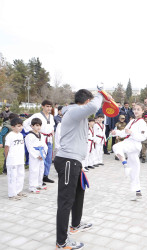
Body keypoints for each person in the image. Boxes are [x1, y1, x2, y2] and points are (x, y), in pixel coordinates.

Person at [55, 89, 105, 249]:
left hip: (74, 161)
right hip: (68, 160)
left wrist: (80, 164)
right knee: (65, 202)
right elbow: (93, 107)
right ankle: (61, 242)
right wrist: (101, 94)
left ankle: (75, 224)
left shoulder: (76, 113)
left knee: (79, 192)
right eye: (91, 101)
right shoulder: (74, 111)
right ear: (86, 101)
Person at [111, 103, 147, 200]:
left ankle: (125, 164)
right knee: (135, 168)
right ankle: (138, 190)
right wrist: (116, 133)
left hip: (135, 144)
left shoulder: (142, 123)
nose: (136, 111)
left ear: (142, 111)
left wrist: (132, 133)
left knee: (116, 147)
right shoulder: (132, 122)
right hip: (129, 143)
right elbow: (124, 132)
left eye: (138, 109)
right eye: (135, 109)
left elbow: (143, 137)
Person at [23, 100, 55, 184]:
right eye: (47, 106)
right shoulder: (37, 115)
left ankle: (45, 176)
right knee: (40, 158)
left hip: (49, 139)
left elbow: (52, 126)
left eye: (50, 106)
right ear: (42, 106)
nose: (49, 108)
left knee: (48, 158)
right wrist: (34, 132)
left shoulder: (51, 116)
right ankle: (38, 177)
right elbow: (25, 123)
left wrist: (52, 131)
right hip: (40, 138)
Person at [25, 118, 48, 194]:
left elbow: (45, 146)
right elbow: (30, 148)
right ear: (32, 126)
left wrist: (43, 154)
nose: (39, 127)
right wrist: (37, 155)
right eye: (37, 125)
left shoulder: (41, 135)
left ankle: (39, 183)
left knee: (41, 169)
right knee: (34, 170)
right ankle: (32, 186)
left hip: (42, 154)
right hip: (34, 155)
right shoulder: (29, 136)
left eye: (40, 125)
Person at [5, 117, 26, 200]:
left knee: (21, 175)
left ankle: (18, 191)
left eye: (21, 126)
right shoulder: (10, 136)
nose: (20, 127)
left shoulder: (21, 135)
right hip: (12, 160)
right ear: (13, 127)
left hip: (20, 159)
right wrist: (7, 157)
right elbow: (7, 147)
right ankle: (12, 194)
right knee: (12, 177)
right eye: (18, 126)